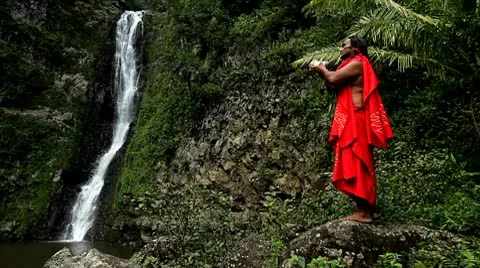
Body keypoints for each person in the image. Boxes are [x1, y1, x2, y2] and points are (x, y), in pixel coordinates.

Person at [309, 36, 394, 223]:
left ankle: (364, 213)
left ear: (356, 49)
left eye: (344, 45)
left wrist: (321, 68)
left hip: (357, 120)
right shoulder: (350, 65)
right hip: (352, 120)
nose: (341, 49)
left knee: (359, 160)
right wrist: (321, 72)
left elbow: (331, 77)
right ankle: (367, 210)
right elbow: (332, 85)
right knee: (355, 160)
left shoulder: (357, 63)